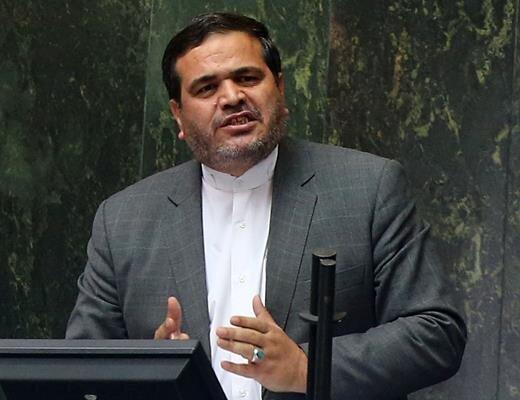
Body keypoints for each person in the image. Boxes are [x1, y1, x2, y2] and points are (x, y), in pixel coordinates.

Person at [66, 12, 467, 400]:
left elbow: (436, 332)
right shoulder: (122, 220)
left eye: (247, 78)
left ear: (280, 88)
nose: (231, 97)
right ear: (178, 114)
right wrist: (151, 373)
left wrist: (305, 369)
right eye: (206, 88)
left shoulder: (369, 188)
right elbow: (81, 373)